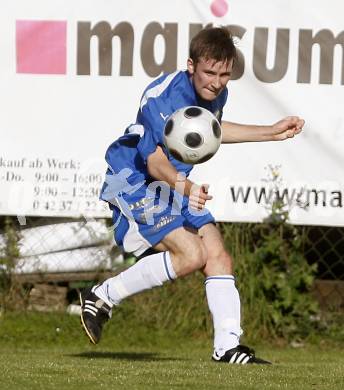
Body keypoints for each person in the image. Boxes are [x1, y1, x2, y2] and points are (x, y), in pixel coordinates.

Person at [79, 26, 304, 364]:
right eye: (209, 72)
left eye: (224, 74)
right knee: (191, 254)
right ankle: (103, 295)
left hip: (173, 184)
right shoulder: (163, 97)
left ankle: (227, 347)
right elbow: (153, 160)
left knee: (217, 255)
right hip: (132, 179)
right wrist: (185, 188)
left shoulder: (216, 94)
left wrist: (269, 133)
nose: (216, 81)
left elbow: (211, 131)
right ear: (190, 65)